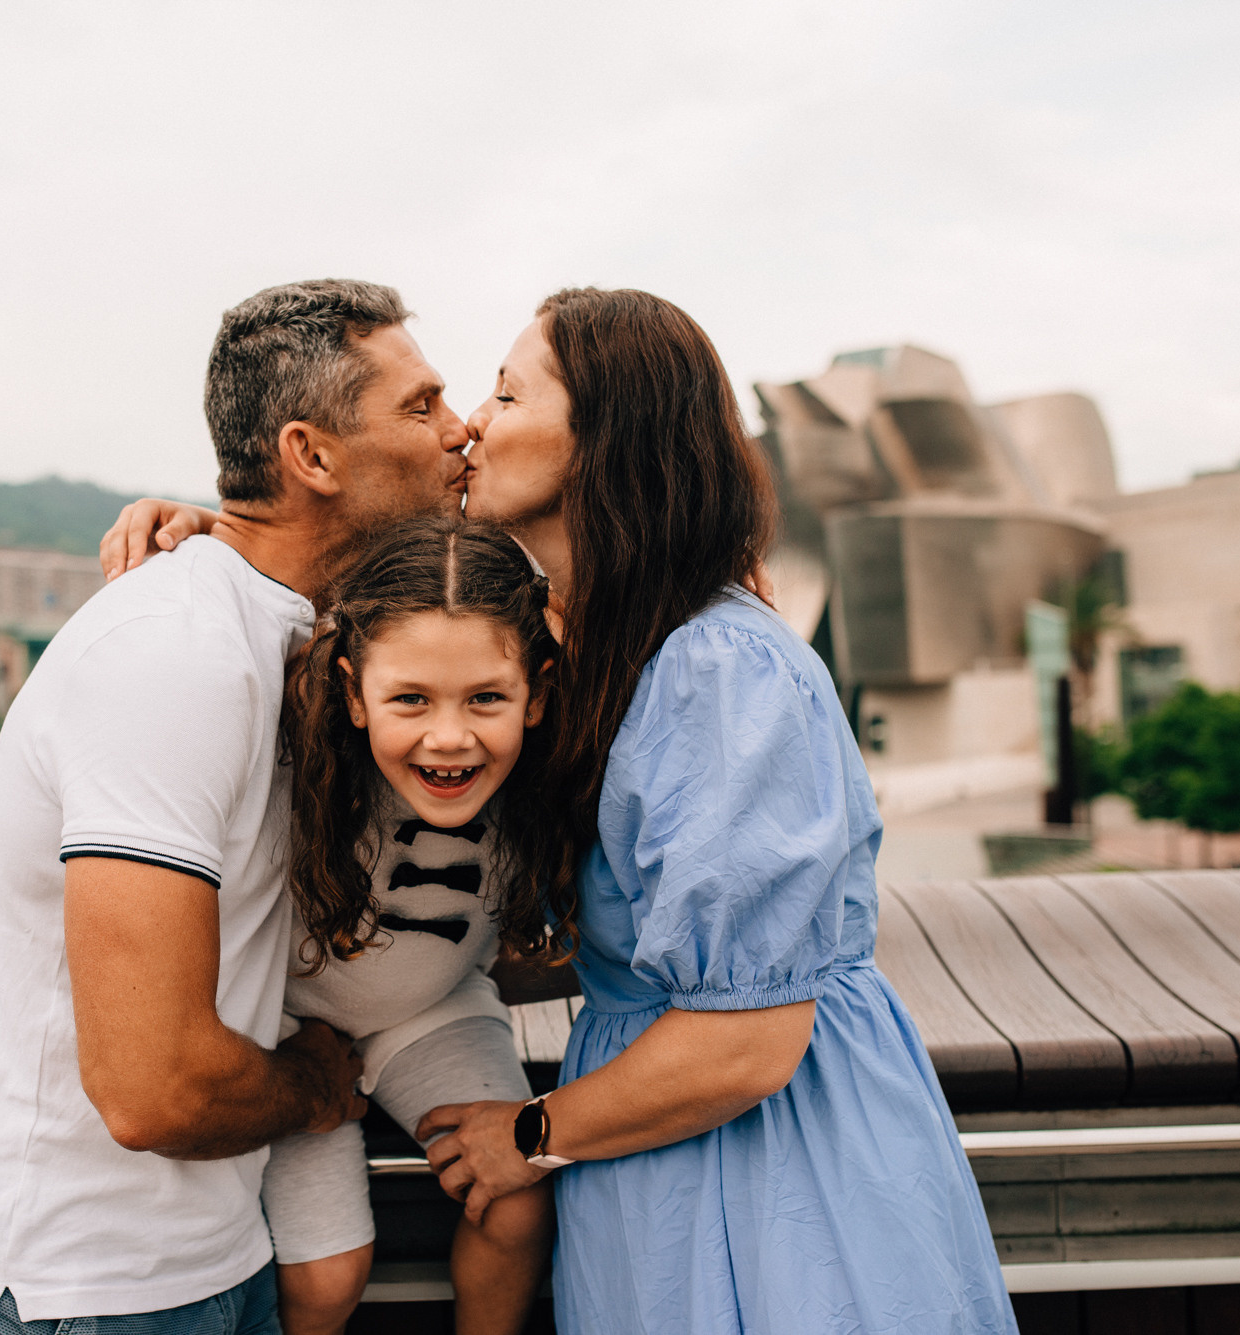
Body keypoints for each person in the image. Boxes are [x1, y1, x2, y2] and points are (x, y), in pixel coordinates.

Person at [104, 288, 1017, 1333]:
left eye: (504, 395)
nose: (470, 424)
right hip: (642, 1144)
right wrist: (214, 536)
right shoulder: (573, 638)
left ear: (602, 441)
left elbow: (747, 1038)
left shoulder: (720, 670)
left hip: (773, 1165)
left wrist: (528, 1135)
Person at [0, 278, 471, 1335]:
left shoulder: (284, 631)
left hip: (200, 1265)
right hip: (59, 1292)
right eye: (421, 406)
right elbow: (155, 1089)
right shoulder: (174, 655)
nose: (458, 430)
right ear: (311, 456)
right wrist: (316, 1085)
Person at [266, 517, 559, 1335]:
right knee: (325, 1275)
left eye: (487, 698)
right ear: (352, 692)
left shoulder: (552, 764)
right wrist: (187, 530)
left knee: (515, 1202)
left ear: (536, 692)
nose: (449, 737)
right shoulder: (293, 740)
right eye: (410, 699)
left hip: (432, 1007)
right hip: (286, 1029)